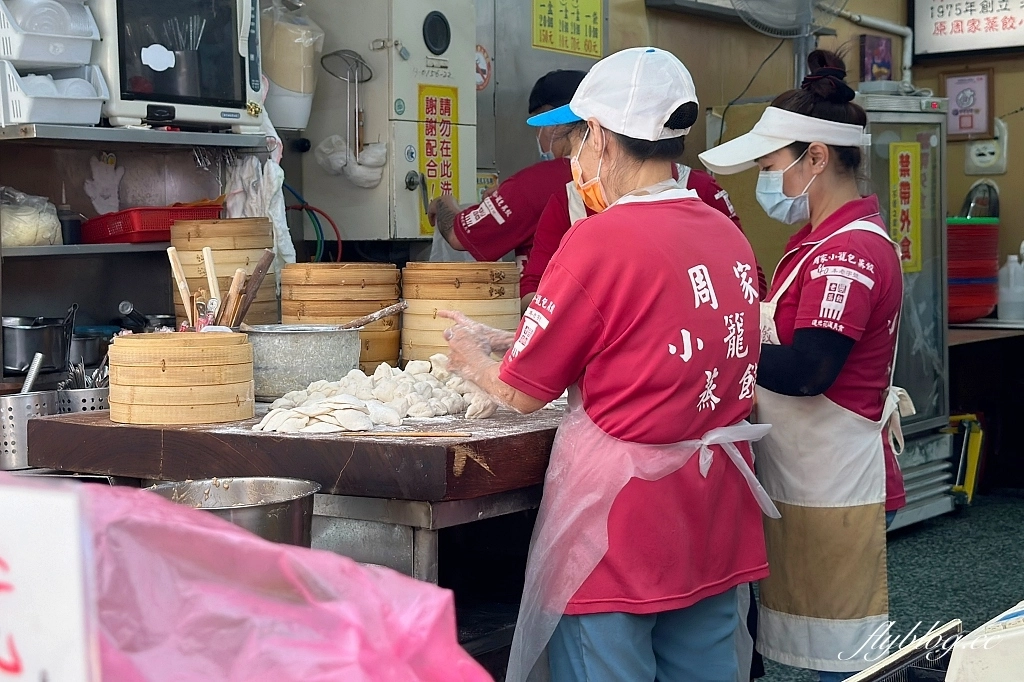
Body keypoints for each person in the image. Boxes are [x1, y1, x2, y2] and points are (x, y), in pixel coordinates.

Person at [440, 47, 779, 682]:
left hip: (620, 523)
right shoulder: (726, 234)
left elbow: (519, 395)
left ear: (597, 135)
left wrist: (469, 359)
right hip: (712, 514)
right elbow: (647, 335)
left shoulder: (597, 241)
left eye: (579, 138)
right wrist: (514, 337)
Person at [699, 50, 909, 682]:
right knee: (815, 643)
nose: (766, 183)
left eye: (769, 167)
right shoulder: (813, 241)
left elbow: (809, 370)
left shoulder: (850, 252)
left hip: (840, 483)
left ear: (815, 157)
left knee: (843, 656)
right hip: (806, 478)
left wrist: (716, 347)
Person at [520, 140, 767, 310]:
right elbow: (533, 288)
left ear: (600, 139)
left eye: (576, 150)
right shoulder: (568, 201)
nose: (574, 163)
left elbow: (751, 284)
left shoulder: (701, 191)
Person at [427, 69, 586, 267]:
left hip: (545, 287)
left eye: (539, 123)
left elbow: (457, 236)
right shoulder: (610, 176)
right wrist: (507, 196)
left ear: (555, 122)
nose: (538, 134)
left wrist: (443, 203)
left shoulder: (535, 184)